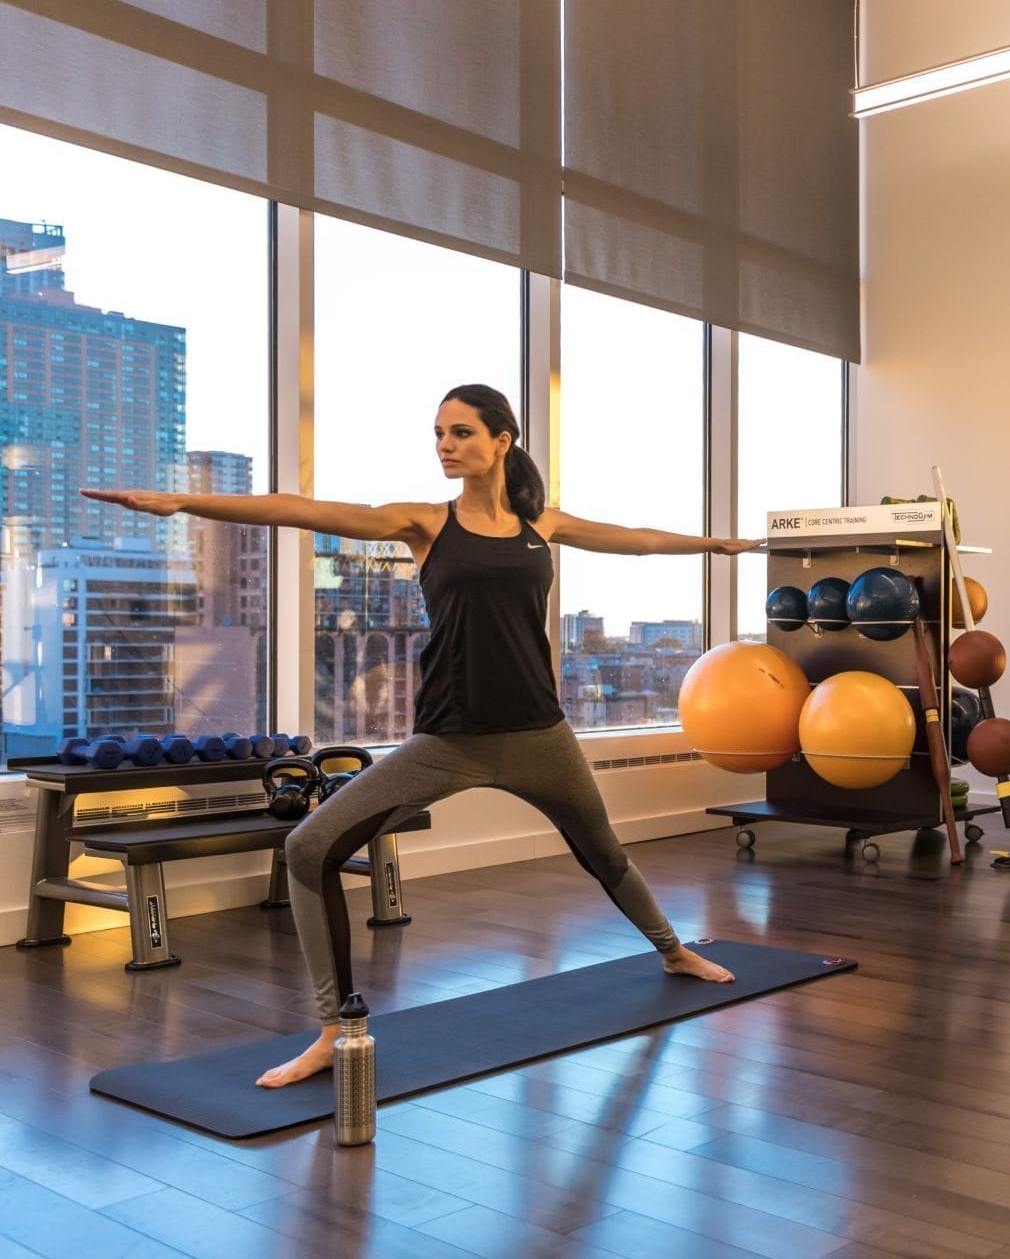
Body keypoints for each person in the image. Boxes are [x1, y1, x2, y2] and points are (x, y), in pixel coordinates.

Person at [85, 383, 760, 1088]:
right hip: (449, 739)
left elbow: (639, 542)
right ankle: (335, 1030)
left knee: (605, 856)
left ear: (503, 440)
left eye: (461, 432)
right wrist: (186, 502)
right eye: (438, 433)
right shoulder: (425, 523)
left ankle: (672, 950)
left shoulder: (542, 526)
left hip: (541, 734)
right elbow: (303, 510)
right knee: (309, 846)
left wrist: (715, 544)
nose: (444, 445)